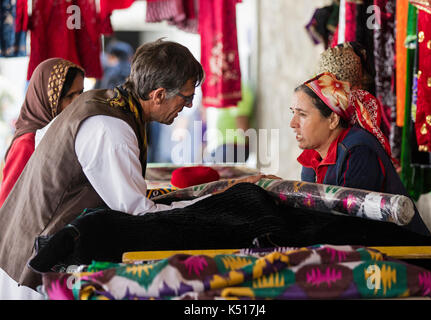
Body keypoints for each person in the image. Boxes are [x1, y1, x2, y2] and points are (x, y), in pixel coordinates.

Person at [0, 39, 266, 295]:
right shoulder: (110, 128)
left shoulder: (112, 105)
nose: (188, 106)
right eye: (186, 98)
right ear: (159, 95)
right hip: (32, 265)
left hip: (34, 251)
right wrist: (225, 203)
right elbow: (139, 213)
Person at [290, 72, 431, 237]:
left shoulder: (357, 151)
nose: (292, 124)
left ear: (333, 120)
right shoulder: (311, 156)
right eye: (292, 112)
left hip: (403, 254)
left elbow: (349, 226)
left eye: (302, 115)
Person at [0, 58, 85, 208]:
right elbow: (8, 203)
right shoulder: (27, 143)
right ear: (47, 100)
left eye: (81, 93)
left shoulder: (67, 133)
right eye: (70, 96)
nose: (78, 102)